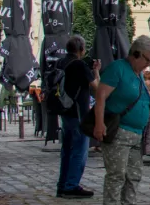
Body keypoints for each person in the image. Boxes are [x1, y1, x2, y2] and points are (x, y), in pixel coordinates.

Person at [94, 36, 150, 205]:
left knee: (133, 176)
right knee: (117, 175)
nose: (149, 64)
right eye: (148, 59)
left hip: (136, 134)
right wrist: (99, 123)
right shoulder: (118, 68)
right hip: (119, 132)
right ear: (136, 54)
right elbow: (100, 96)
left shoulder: (138, 73)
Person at [56, 35, 100, 199]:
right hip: (78, 113)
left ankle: (62, 185)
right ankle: (71, 185)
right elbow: (96, 87)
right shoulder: (79, 65)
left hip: (64, 110)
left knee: (66, 150)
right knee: (80, 151)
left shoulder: (61, 62)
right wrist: (96, 71)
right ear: (81, 49)